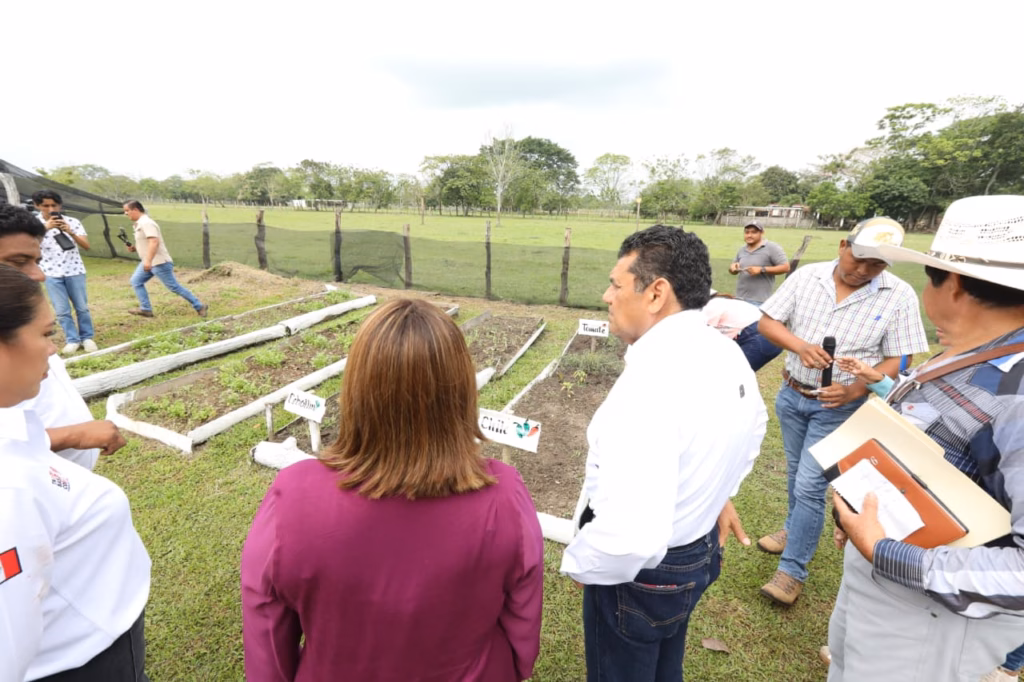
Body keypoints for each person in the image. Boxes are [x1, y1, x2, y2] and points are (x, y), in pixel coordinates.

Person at [241, 298, 544, 682]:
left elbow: (266, 624)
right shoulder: (504, 496)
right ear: (461, 392)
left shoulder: (292, 495)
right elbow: (523, 629)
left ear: (356, 388)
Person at [826, 195, 1024, 681]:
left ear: (952, 285)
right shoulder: (973, 352)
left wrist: (887, 551)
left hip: (932, 620)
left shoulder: (1017, 392)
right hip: (885, 583)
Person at [560, 225, 768, 682]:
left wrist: (582, 564)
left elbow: (629, 537)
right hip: (696, 553)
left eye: (616, 285)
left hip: (642, 576)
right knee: (663, 665)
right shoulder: (725, 351)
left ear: (656, 293)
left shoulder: (650, 383)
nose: (606, 296)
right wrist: (716, 494)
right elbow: (751, 434)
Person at [755, 216, 928, 606]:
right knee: (796, 470)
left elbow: (899, 358)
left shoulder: (898, 295)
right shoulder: (808, 277)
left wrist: (855, 390)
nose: (864, 271)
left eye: (877, 265)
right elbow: (768, 323)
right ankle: (792, 527)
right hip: (793, 394)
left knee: (810, 485)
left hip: (839, 408)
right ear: (842, 246)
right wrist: (799, 346)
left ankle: (792, 570)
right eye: (860, 259)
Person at [0, 264, 151, 681]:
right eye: (46, 333)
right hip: (76, 661)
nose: (54, 348)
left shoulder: (15, 433)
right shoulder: (7, 488)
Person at [0, 204, 125, 470]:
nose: (39, 275)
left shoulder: (20, 318)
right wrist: (72, 435)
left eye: (37, 261)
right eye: (17, 262)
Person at [33, 190, 97, 355]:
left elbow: (86, 246)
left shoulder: (72, 221)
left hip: (74, 270)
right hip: (51, 273)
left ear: (60, 205)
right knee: (61, 310)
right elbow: (29, 245)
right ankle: (72, 339)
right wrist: (44, 229)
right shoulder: (33, 224)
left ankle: (87, 337)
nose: (50, 208)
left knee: (82, 307)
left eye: (54, 205)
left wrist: (71, 232)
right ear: (37, 206)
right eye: (45, 205)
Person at [122, 200, 208, 318]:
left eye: (127, 211)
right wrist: (135, 248)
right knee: (136, 281)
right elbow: (147, 243)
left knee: (174, 287)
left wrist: (148, 261)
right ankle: (146, 309)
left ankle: (199, 306)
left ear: (136, 209)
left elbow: (154, 241)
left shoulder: (146, 223)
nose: (126, 214)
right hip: (149, 261)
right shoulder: (140, 223)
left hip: (159, 262)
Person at [703, 290, 783, 371]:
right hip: (772, 336)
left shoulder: (709, 307)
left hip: (759, 336)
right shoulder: (722, 301)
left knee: (728, 376)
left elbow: (706, 341)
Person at [728, 220, 790, 304]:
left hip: (759, 301)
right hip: (739, 299)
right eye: (747, 232)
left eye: (754, 232)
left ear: (762, 233)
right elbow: (733, 268)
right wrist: (732, 269)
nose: (749, 235)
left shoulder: (772, 248)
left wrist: (761, 270)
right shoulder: (742, 250)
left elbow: (786, 267)